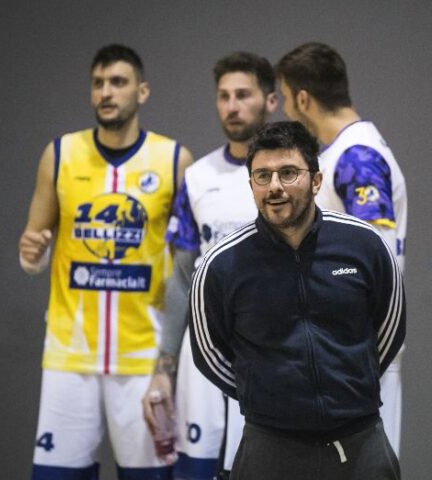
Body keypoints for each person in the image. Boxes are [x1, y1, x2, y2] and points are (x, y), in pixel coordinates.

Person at [189, 121, 405, 480]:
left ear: (316, 180)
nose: (274, 187)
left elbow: (389, 329)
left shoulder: (364, 245)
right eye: (262, 176)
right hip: (269, 448)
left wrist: (349, 382)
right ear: (251, 185)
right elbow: (210, 353)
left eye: (288, 173)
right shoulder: (222, 264)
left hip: (360, 444)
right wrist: (262, 392)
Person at [18, 44, 193, 479]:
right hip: (70, 356)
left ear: (143, 91)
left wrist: (168, 365)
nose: (105, 93)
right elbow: (34, 246)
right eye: (98, 83)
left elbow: (187, 267)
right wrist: (31, 256)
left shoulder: (174, 161)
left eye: (118, 82)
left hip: (143, 358)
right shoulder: (59, 154)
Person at [140, 51, 277, 480]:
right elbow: (181, 279)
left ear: (270, 101)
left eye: (243, 95)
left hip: (271, 354)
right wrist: (164, 369)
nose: (232, 106)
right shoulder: (198, 177)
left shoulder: (288, 175)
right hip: (203, 355)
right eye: (223, 96)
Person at [275, 41, 408, 455]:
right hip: (339, 351)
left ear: (302, 99)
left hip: (354, 354)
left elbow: (371, 258)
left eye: (283, 98)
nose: (282, 108)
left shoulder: (358, 156)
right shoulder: (346, 153)